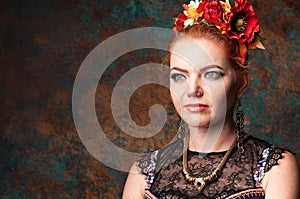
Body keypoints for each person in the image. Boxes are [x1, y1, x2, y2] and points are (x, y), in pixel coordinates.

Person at [123, 0, 299, 198]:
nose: (193, 90)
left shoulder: (273, 169)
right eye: (180, 76)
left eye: (211, 75)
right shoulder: (144, 173)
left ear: (241, 83)